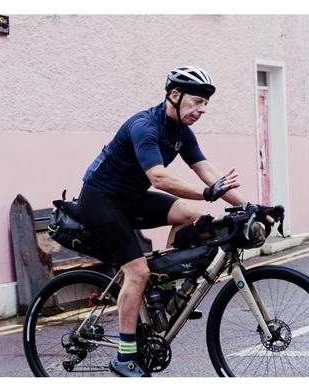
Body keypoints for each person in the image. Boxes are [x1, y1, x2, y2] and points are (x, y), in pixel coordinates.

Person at [77, 65, 273, 377]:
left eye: (205, 104)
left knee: (192, 214)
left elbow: (209, 174)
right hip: (101, 200)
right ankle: (124, 356)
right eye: (197, 101)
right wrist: (207, 192)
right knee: (137, 272)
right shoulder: (144, 126)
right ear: (174, 95)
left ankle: (165, 290)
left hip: (131, 198)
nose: (202, 109)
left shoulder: (182, 133)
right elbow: (158, 177)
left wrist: (255, 207)